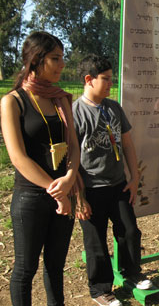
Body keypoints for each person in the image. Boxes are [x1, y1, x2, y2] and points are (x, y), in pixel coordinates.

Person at [0, 31, 87, 306]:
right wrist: (58, 191)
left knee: (55, 267)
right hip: (31, 198)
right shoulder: (13, 101)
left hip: (65, 191)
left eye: (62, 58)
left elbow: (73, 144)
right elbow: (18, 157)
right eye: (55, 58)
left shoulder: (61, 99)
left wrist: (71, 177)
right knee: (25, 270)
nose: (62, 64)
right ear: (36, 60)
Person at [73, 54, 152, 306]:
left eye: (111, 78)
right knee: (95, 243)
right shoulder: (76, 113)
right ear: (89, 80)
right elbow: (70, 160)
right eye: (105, 79)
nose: (110, 83)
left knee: (129, 231)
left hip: (118, 185)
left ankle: (132, 273)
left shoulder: (113, 108)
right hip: (90, 189)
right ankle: (100, 290)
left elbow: (127, 142)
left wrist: (134, 176)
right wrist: (78, 196)